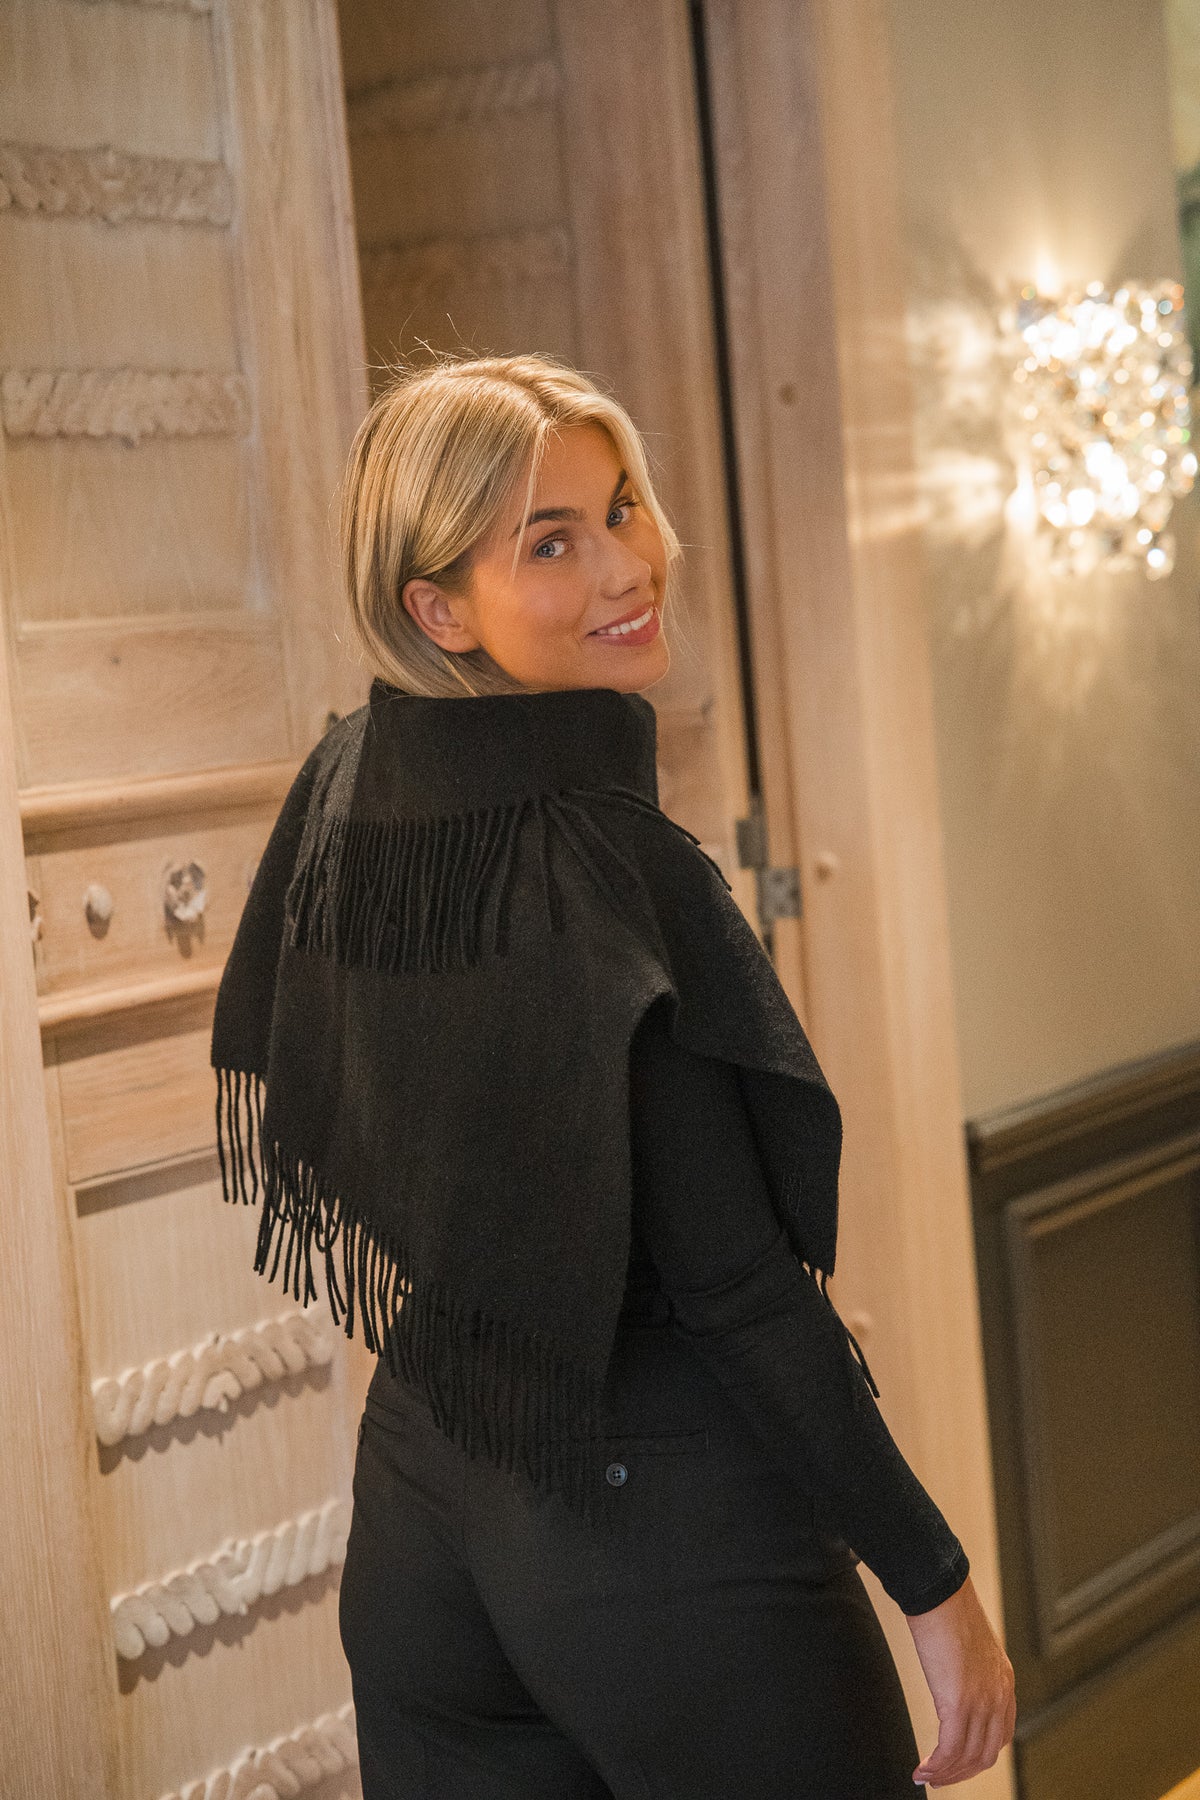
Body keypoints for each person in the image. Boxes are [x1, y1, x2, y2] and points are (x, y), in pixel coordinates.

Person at [226, 349, 1015, 1796]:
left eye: (621, 507)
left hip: (422, 1511)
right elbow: (738, 1286)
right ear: (437, 609)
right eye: (550, 543)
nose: (627, 566)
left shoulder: (346, 780)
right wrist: (936, 1583)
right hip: (651, 1523)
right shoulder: (604, 863)